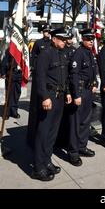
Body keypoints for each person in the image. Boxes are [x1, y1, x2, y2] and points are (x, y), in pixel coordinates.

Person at [31, 28, 71, 182]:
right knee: (43, 132)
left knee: (52, 133)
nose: (64, 41)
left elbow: (64, 76)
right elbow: (40, 77)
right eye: (62, 39)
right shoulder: (45, 54)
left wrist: (67, 92)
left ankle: (47, 161)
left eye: (65, 39)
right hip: (49, 98)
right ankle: (38, 167)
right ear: (54, 39)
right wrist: (44, 97)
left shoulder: (62, 54)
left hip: (60, 97)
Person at [68, 28, 98, 166]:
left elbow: (93, 71)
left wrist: (95, 83)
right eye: (88, 39)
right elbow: (73, 75)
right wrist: (76, 94)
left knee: (86, 121)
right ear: (83, 40)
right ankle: (73, 153)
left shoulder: (90, 54)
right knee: (76, 123)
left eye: (92, 39)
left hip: (88, 91)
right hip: (80, 92)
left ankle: (82, 146)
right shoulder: (78, 53)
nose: (91, 41)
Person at [1, 48, 22, 119]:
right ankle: (6, 112)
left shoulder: (23, 49)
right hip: (11, 73)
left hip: (19, 74)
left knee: (17, 94)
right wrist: (3, 72)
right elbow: (4, 61)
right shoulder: (10, 49)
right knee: (9, 94)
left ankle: (14, 111)